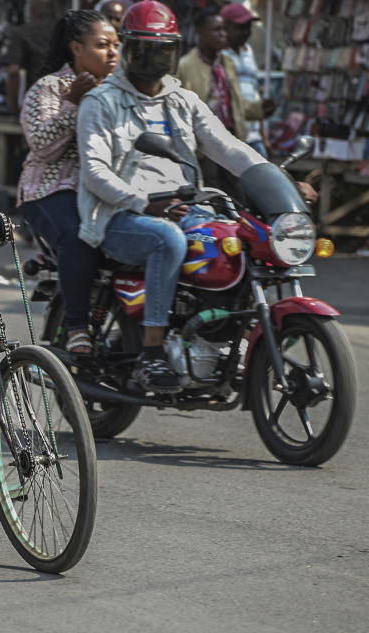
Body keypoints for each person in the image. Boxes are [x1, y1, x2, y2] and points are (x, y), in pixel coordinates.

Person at [76, 0, 267, 393]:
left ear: (174, 51)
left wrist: (275, 179)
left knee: (233, 237)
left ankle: (227, 338)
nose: (153, 56)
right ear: (127, 48)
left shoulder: (182, 100)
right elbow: (94, 172)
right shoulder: (101, 101)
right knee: (168, 239)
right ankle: (152, 353)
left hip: (183, 208)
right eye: (144, 47)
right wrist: (143, 203)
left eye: (162, 48)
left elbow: (229, 148)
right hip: (117, 217)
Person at [18, 10, 119, 355]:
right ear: (77, 48)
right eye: (103, 44)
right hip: (49, 190)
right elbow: (42, 146)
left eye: (116, 45)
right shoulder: (49, 88)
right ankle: (78, 326)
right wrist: (73, 104)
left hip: (105, 190)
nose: (113, 52)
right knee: (79, 235)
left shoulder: (121, 93)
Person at [176, 7, 274, 143]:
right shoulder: (185, 66)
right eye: (217, 30)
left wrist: (258, 109)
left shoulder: (227, 64)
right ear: (201, 33)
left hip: (232, 140)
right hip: (204, 144)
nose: (223, 34)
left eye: (224, 29)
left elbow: (235, 103)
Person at [221, 2, 269, 157]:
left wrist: (264, 133)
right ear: (225, 27)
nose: (246, 32)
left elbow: (254, 93)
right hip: (232, 137)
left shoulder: (249, 52)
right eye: (240, 27)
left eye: (248, 27)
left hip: (255, 137)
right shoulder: (219, 56)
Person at [3, 0, 64, 113]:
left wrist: (14, 107)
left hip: (37, 102)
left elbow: (13, 72)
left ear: (32, 11)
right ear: (55, 10)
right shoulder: (68, 32)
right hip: (66, 101)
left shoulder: (22, 32)